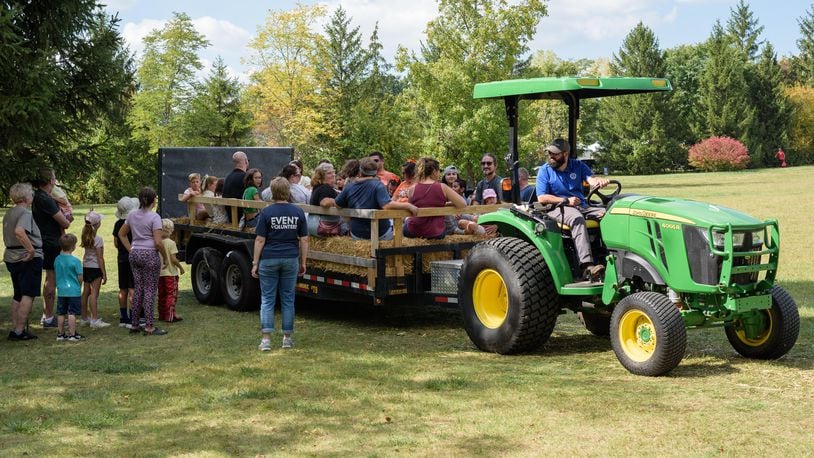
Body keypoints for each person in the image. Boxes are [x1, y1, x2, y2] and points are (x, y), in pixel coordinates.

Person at [536, 138, 609, 281]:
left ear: (566, 154)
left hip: (581, 205)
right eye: (549, 153)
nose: (551, 156)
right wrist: (565, 200)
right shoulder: (544, 171)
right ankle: (587, 267)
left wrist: (599, 181)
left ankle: (610, 258)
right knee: (576, 218)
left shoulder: (577, 166)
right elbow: (542, 198)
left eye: (555, 154)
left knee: (609, 214)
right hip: (557, 208)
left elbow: (591, 179)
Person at [251, 177, 309, 351]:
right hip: (290, 258)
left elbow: (260, 239)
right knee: (288, 299)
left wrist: (255, 263)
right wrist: (303, 261)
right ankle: (287, 338)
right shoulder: (298, 212)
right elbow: (304, 239)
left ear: (273, 192)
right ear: (288, 191)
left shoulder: (267, 212)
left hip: (269, 258)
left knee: (268, 299)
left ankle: (266, 340)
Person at [118, 187, 169, 336]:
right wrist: (165, 256)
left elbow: (122, 234)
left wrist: (131, 249)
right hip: (150, 255)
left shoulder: (132, 215)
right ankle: (149, 326)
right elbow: (158, 242)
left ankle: (134, 324)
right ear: (153, 201)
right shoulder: (154, 218)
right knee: (150, 290)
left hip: (135, 255)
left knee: (138, 288)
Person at [335, 157, 418, 241]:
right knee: (401, 230)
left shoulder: (349, 187)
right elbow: (387, 205)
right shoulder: (378, 185)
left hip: (356, 234)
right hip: (380, 234)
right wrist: (408, 206)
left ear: (360, 171)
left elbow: (337, 204)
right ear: (375, 172)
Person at [31, 167, 71, 328]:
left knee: (49, 278)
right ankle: (48, 317)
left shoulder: (38, 196)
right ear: (50, 181)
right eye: (54, 178)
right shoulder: (45, 199)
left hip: (45, 240)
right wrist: (68, 218)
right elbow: (64, 222)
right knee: (52, 279)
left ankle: (46, 314)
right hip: (50, 242)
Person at [3, 182, 43, 341]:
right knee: (28, 293)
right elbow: (19, 232)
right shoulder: (25, 214)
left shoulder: (9, 213)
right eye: (31, 193)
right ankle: (19, 331)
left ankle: (15, 327)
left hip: (11, 256)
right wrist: (31, 250)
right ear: (26, 197)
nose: (32, 196)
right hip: (26, 258)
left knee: (18, 293)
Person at [403, 157, 467, 239]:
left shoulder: (412, 189)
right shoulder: (443, 187)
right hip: (436, 232)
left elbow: (410, 209)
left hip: (413, 231)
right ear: (434, 171)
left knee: (406, 221)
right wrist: (446, 204)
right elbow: (463, 204)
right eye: (439, 171)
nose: (439, 173)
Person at [79, 210, 110, 328]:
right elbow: (100, 258)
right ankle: (94, 319)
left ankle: (83, 318)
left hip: (86, 266)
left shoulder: (85, 236)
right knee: (94, 293)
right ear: (98, 224)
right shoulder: (98, 239)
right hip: (95, 268)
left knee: (85, 293)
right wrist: (104, 273)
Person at [113, 196, 138, 328]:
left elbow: (116, 243)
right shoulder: (132, 224)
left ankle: (123, 318)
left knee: (122, 289)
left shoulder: (117, 224)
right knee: (132, 288)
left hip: (121, 258)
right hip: (132, 258)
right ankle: (134, 317)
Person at [54, 233, 84, 342]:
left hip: (61, 290)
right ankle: (72, 334)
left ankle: (60, 334)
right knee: (72, 313)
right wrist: (79, 285)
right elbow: (80, 276)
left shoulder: (57, 259)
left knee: (61, 313)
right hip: (73, 291)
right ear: (73, 246)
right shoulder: (75, 261)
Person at [307, 162, 344, 237]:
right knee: (347, 226)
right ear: (322, 176)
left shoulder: (317, 187)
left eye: (333, 172)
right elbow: (324, 202)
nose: (333, 174)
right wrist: (339, 201)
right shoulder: (325, 188)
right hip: (322, 226)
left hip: (311, 223)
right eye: (329, 173)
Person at [158, 219, 184, 322]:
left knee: (162, 295)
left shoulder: (158, 243)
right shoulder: (171, 243)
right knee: (171, 294)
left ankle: (162, 315)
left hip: (160, 273)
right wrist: (180, 267)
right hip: (170, 273)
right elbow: (173, 259)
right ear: (171, 230)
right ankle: (170, 316)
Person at [222, 151, 249, 222]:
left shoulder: (228, 177)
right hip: (243, 220)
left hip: (230, 218)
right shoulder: (246, 177)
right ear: (246, 161)